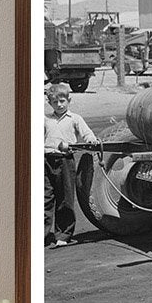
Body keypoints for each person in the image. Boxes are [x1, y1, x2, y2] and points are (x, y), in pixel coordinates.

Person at [44, 82, 97, 247]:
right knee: (45, 199)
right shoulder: (45, 119)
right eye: (55, 102)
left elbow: (86, 133)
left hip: (65, 161)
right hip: (46, 161)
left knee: (65, 199)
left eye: (62, 101)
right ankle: (43, 235)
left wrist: (91, 139)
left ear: (69, 100)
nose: (59, 105)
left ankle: (63, 235)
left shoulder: (75, 118)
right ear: (49, 103)